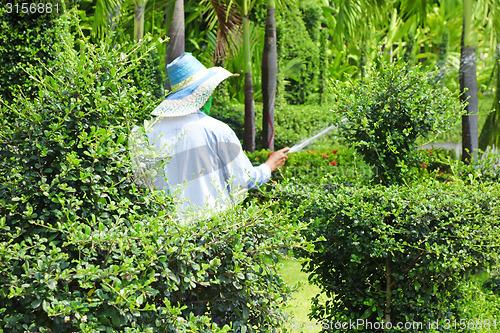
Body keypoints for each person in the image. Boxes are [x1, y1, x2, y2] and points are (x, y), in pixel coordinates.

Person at [144, 52, 289, 213]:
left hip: (164, 231)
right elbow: (246, 179)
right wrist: (269, 166)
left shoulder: (150, 132)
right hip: (211, 230)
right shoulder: (217, 131)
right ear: (204, 93)